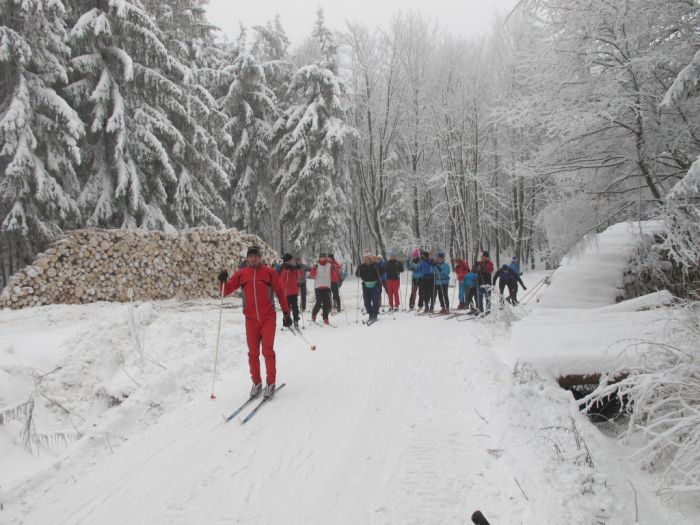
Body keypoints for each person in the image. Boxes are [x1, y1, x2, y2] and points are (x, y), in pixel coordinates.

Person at [218, 246, 292, 399]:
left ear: (260, 257)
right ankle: (257, 382)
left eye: (256, 256)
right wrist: (222, 280)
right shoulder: (241, 274)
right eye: (251, 257)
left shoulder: (269, 273)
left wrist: (286, 313)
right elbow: (225, 291)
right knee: (252, 353)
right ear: (247, 259)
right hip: (250, 320)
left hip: (268, 317)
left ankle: (270, 382)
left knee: (267, 351)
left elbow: (279, 293)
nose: (253, 259)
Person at [356, 252, 381, 321]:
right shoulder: (361, 266)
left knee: (375, 300)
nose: (365, 259)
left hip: (374, 285)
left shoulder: (374, 265)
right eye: (364, 258)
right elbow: (357, 275)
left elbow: (380, 272)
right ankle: (370, 313)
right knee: (366, 302)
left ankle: (375, 314)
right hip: (366, 286)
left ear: (370, 259)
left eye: (367, 258)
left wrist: (377, 267)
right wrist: (358, 270)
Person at [309, 253, 333, 324]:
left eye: (323, 257)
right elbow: (312, 275)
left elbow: (336, 270)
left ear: (325, 258)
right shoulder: (316, 265)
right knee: (319, 302)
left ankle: (325, 318)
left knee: (327, 303)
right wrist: (313, 269)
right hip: (318, 286)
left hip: (327, 286)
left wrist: (334, 268)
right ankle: (314, 314)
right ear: (319, 258)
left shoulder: (329, 265)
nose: (322, 259)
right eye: (321, 258)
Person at [279, 253, 301, 327]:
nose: (291, 262)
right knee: (287, 308)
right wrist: (286, 271)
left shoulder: (293, 268)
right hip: (286, 292)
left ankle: (296, 320)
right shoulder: (283, 268)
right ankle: (287, 321)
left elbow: (298, 277)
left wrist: (298, 269)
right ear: (286, 261)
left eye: (291, 260)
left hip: (294, 291)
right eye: (289, 260)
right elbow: (281, 280)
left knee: (295, 307)